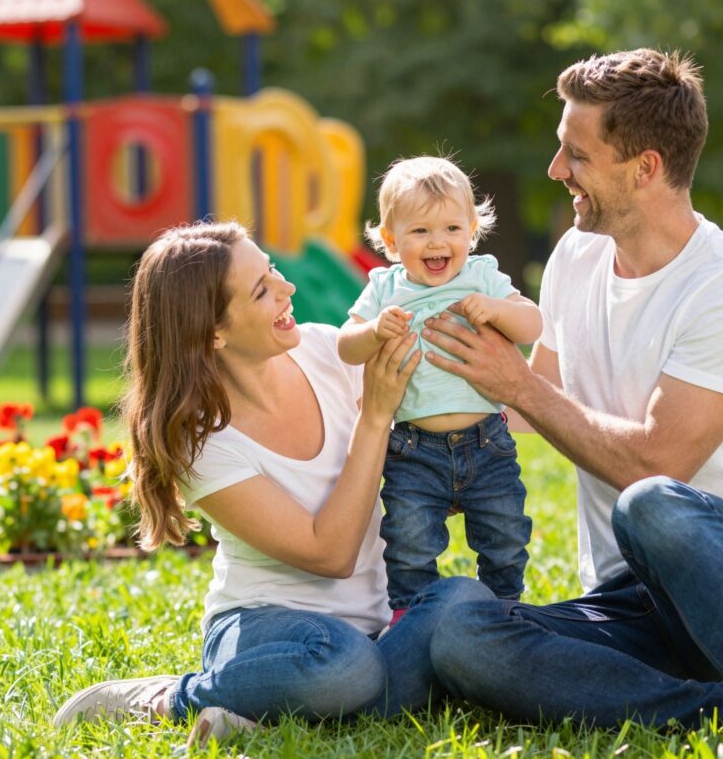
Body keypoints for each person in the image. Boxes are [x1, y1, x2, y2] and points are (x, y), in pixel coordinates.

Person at [419, 49, 723, 758]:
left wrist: (519, 385)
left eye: (576, 155)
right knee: (462, 635)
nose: (557, 171)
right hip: (629, 602)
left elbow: (658, 462)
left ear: (645, 167)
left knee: (653, 501)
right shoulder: (574, 259)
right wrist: (409, 397)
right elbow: (531, 407)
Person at [51, 221, 491, 746]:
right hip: (265, 630)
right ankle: (178, 697)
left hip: (378, 627)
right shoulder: (202, 443)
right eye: (262, 289)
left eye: (273, 271)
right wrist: (374, 417)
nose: (288, 289)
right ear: (213, 331)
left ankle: (263, 714)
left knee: (465, 602)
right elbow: (328, 554)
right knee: (344, 668)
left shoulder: (331, 353)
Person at [337, 156, 542, 621]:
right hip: (413, 448)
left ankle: (506, 605)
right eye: (420, 232)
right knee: (409, 539)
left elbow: (532, 324)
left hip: (486, 440)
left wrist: (495, 309)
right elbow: (346, 347)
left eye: (452, 228)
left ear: (471, 232)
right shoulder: (384, 288)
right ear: (390, 241)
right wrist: (373, 332)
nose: (438, 243)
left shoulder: (482, 276)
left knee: (506, 531)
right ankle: (410, 614)